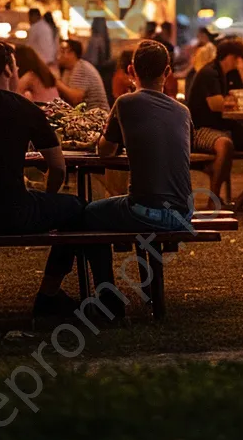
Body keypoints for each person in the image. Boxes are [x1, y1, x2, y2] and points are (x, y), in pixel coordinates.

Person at [0, 39, 114, 323]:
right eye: (15, 65)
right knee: (81, 210)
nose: (17, 70)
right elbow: (58, 166)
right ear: (6, 68)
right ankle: (55, 294)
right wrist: (49, 197)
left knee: (69, 209)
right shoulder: (23, 108)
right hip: (13, 211)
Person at [84, 40, 196, 273]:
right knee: (132, 201)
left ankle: (105, 294)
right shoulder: (183, 112)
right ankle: (146, 290)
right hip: (184, 212)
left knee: (88, 214)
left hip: (145, 211)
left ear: (131, 71)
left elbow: (105, 151)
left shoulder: (125, 102)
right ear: (167, 72)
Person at [186, 37, 243, 200]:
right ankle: (213, 198)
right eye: (241, 58)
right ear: (233, 58)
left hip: (217, 127)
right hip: (199, 130)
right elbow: (216, 104)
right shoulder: (210, 73)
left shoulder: (224, 74)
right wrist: (230, 101)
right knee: (225, 144)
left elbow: (236, 96)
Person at [55, 38, 109, 111]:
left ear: (72, 54)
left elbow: (76, 99)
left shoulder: (82, 68)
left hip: (96, 116)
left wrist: (55, 81)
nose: (58, 55)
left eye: (61, 51)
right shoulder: (68, 70)